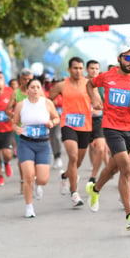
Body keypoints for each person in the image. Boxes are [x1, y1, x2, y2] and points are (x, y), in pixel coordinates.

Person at [85, 45, 130, 231]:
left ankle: (95, 189)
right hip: (110, 126)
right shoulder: (108, 76)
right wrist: (94, 99)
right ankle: (129, 215)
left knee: (114, 167)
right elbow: (90, 84)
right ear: (119, 58)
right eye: (128, 58)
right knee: (127, 167)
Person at [12, 79, 59, 217]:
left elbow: (57, 118)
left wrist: (52, 122)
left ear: (41, 89)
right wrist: (17, 129)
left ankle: (38, 185)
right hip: (26, 143)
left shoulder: (47, 103)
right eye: (32, 87)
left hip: (43, 144)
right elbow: (14, 123)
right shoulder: (21, 105)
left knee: (43, 179)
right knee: (28, 176)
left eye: (38, 87)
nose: (35, 89)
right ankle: (29, 207)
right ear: (27, 90)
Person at [49, 57, 92, 207]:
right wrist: (53, 113)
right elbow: (48, 100)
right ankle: (74, 193)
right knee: (72, 157)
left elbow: (98, 100)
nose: (78, 71)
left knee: (77, 162)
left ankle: (65, 175)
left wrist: (100, 106)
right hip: (68, 124)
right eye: (75, 68)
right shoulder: (61, 85)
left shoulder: (89, 84)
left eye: (81, 68)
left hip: (85, 126)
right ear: (69, 70)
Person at [5, 68, 33, 193]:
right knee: (23, 157)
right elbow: (7, 109)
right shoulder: (16, 93)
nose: (27, 81)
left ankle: (32, 178)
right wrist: (14, 117)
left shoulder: (36, 91)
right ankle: (23, 180)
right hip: (21, 130)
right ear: (20, 79)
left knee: (35, 156)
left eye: (29, 79)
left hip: (35, 128)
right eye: (25, 79)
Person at [86, 60, 109, 183]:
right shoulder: (82, 84)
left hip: (99, 121)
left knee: (101, 148)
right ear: (87, 70)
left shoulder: (102, 86)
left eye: (96, 69)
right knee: (78, 156)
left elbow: (107, 102)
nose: (94, 71)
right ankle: (68, 174)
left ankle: (93, 176)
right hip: (84, 121)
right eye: (92, 68)